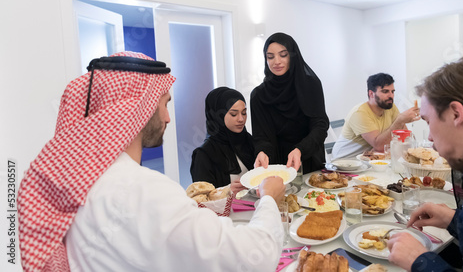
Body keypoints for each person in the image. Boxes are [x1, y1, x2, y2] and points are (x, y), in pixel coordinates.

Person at [18, 51, 286, 272]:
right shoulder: (142, 190)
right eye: (164, 104)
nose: (168, 118)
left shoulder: (78, 184)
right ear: (139, 108)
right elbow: (253, 256)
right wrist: (270, 199)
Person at [387, 56, 463, 271]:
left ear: (456, 113)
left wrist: (419, 260)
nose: (429, 137)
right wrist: (459, 221)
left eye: (429, 122)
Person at [251, 32, 329, 174]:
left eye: (283, 55)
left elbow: (320, 124)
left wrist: (300, 149)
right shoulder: (259, 95)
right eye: (270, 57)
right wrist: (261, 152)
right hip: (277, 165)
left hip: (309, 158)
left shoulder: (310, 85)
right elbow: (260, 135)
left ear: (293, 56)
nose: (276, 61)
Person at [331, 73, 420, 159]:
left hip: (368, 161)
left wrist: (404, 121)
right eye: (385, 91)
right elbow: (379, 146)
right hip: (345, 162)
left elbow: (404, 138)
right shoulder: (359, 113)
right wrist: (400, 120)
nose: (391, 96)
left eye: (392, 91)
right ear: (371, 94)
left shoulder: (390, 108)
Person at [191, 87, 254, 193]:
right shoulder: (204, 155)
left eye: (244, 113)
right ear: (217, 117)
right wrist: (226, 191)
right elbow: (202, 199)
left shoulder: (249, 141)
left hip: (256, 207)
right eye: (234, 114)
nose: (241, 119)